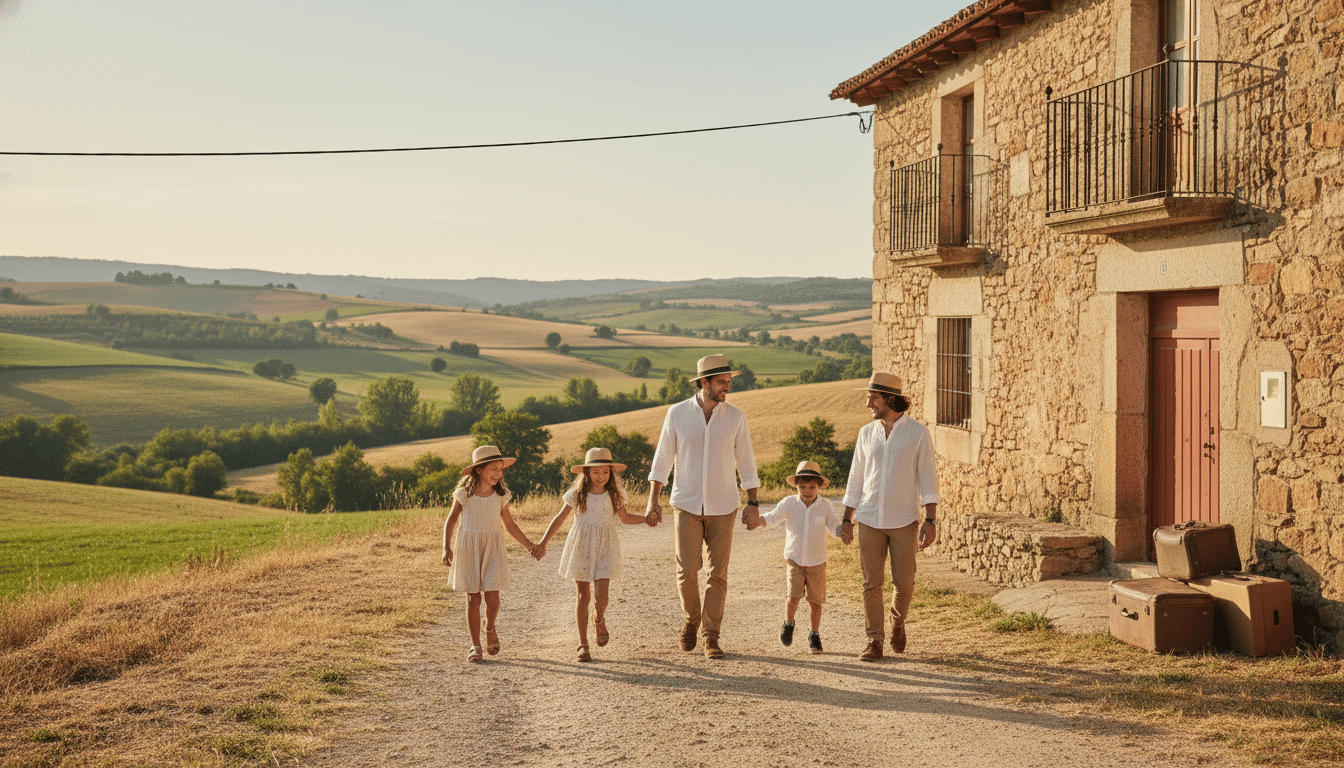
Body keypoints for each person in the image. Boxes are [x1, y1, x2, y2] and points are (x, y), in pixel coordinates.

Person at [647, 354, 760, 659]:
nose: (727, 387)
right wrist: (653, 499)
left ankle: (711, 634)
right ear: (704, 382)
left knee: (718, 573)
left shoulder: (735, 417)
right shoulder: (677, 414)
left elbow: (746, 461)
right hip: (685, 503)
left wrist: (753, 501)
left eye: (728, 382)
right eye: (722, 382)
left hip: (724, 506)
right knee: (687, 570)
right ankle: (691, 619)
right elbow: (663, 459)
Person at [839, 373, 940, 662]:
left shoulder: (918, 434)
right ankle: (874, 640)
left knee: (904, 582)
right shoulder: (865, 433)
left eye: (873, 397)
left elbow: (928, 480)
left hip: (905, 520)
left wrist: (930, 520)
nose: (867, 402)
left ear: (890, 399)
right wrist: (847, 519)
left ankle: (897, 623)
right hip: (869, 519)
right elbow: (855, 479)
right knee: (871, 583)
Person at [535, 447, 650, 662]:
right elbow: (560, 518)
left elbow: (625, 518)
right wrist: (543, 543)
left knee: (602, 597)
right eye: (595, 472)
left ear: (611, 472)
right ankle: (583, 644)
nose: (601, 477)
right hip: (581, 545)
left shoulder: (615, 494)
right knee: (583, 596)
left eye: (605, 472)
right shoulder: (577, 494)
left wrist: (646, 519)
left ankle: (598, 618)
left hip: (606, 546)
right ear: (587, 473)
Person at [441, 445, 539, 663]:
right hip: (468, 547)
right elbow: (451, 520)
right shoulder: (464, 494)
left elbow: (510, 524)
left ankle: (490, 626)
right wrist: (446, 547)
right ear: (479, 470)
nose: (498, 473)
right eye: (493, 468)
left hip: (493, 547)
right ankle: (475, 645)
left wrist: (529, 545)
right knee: (472, 597)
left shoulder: (500, 496)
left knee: (493, 597)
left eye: (500, 469)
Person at [754, 461, 850, 654]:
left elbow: (832, 525)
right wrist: (759, 520)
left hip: (817, 561)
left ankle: (814, 634)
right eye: (802, 487)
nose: (807, 491)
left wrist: (842, 531)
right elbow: (773, 517)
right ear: (796, 486)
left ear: (819, 486)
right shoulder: (789, 503)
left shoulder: (825, 505)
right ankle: (788, 623)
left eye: (812, 487)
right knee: (793, 597)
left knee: (816, 601)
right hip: (795, 559)